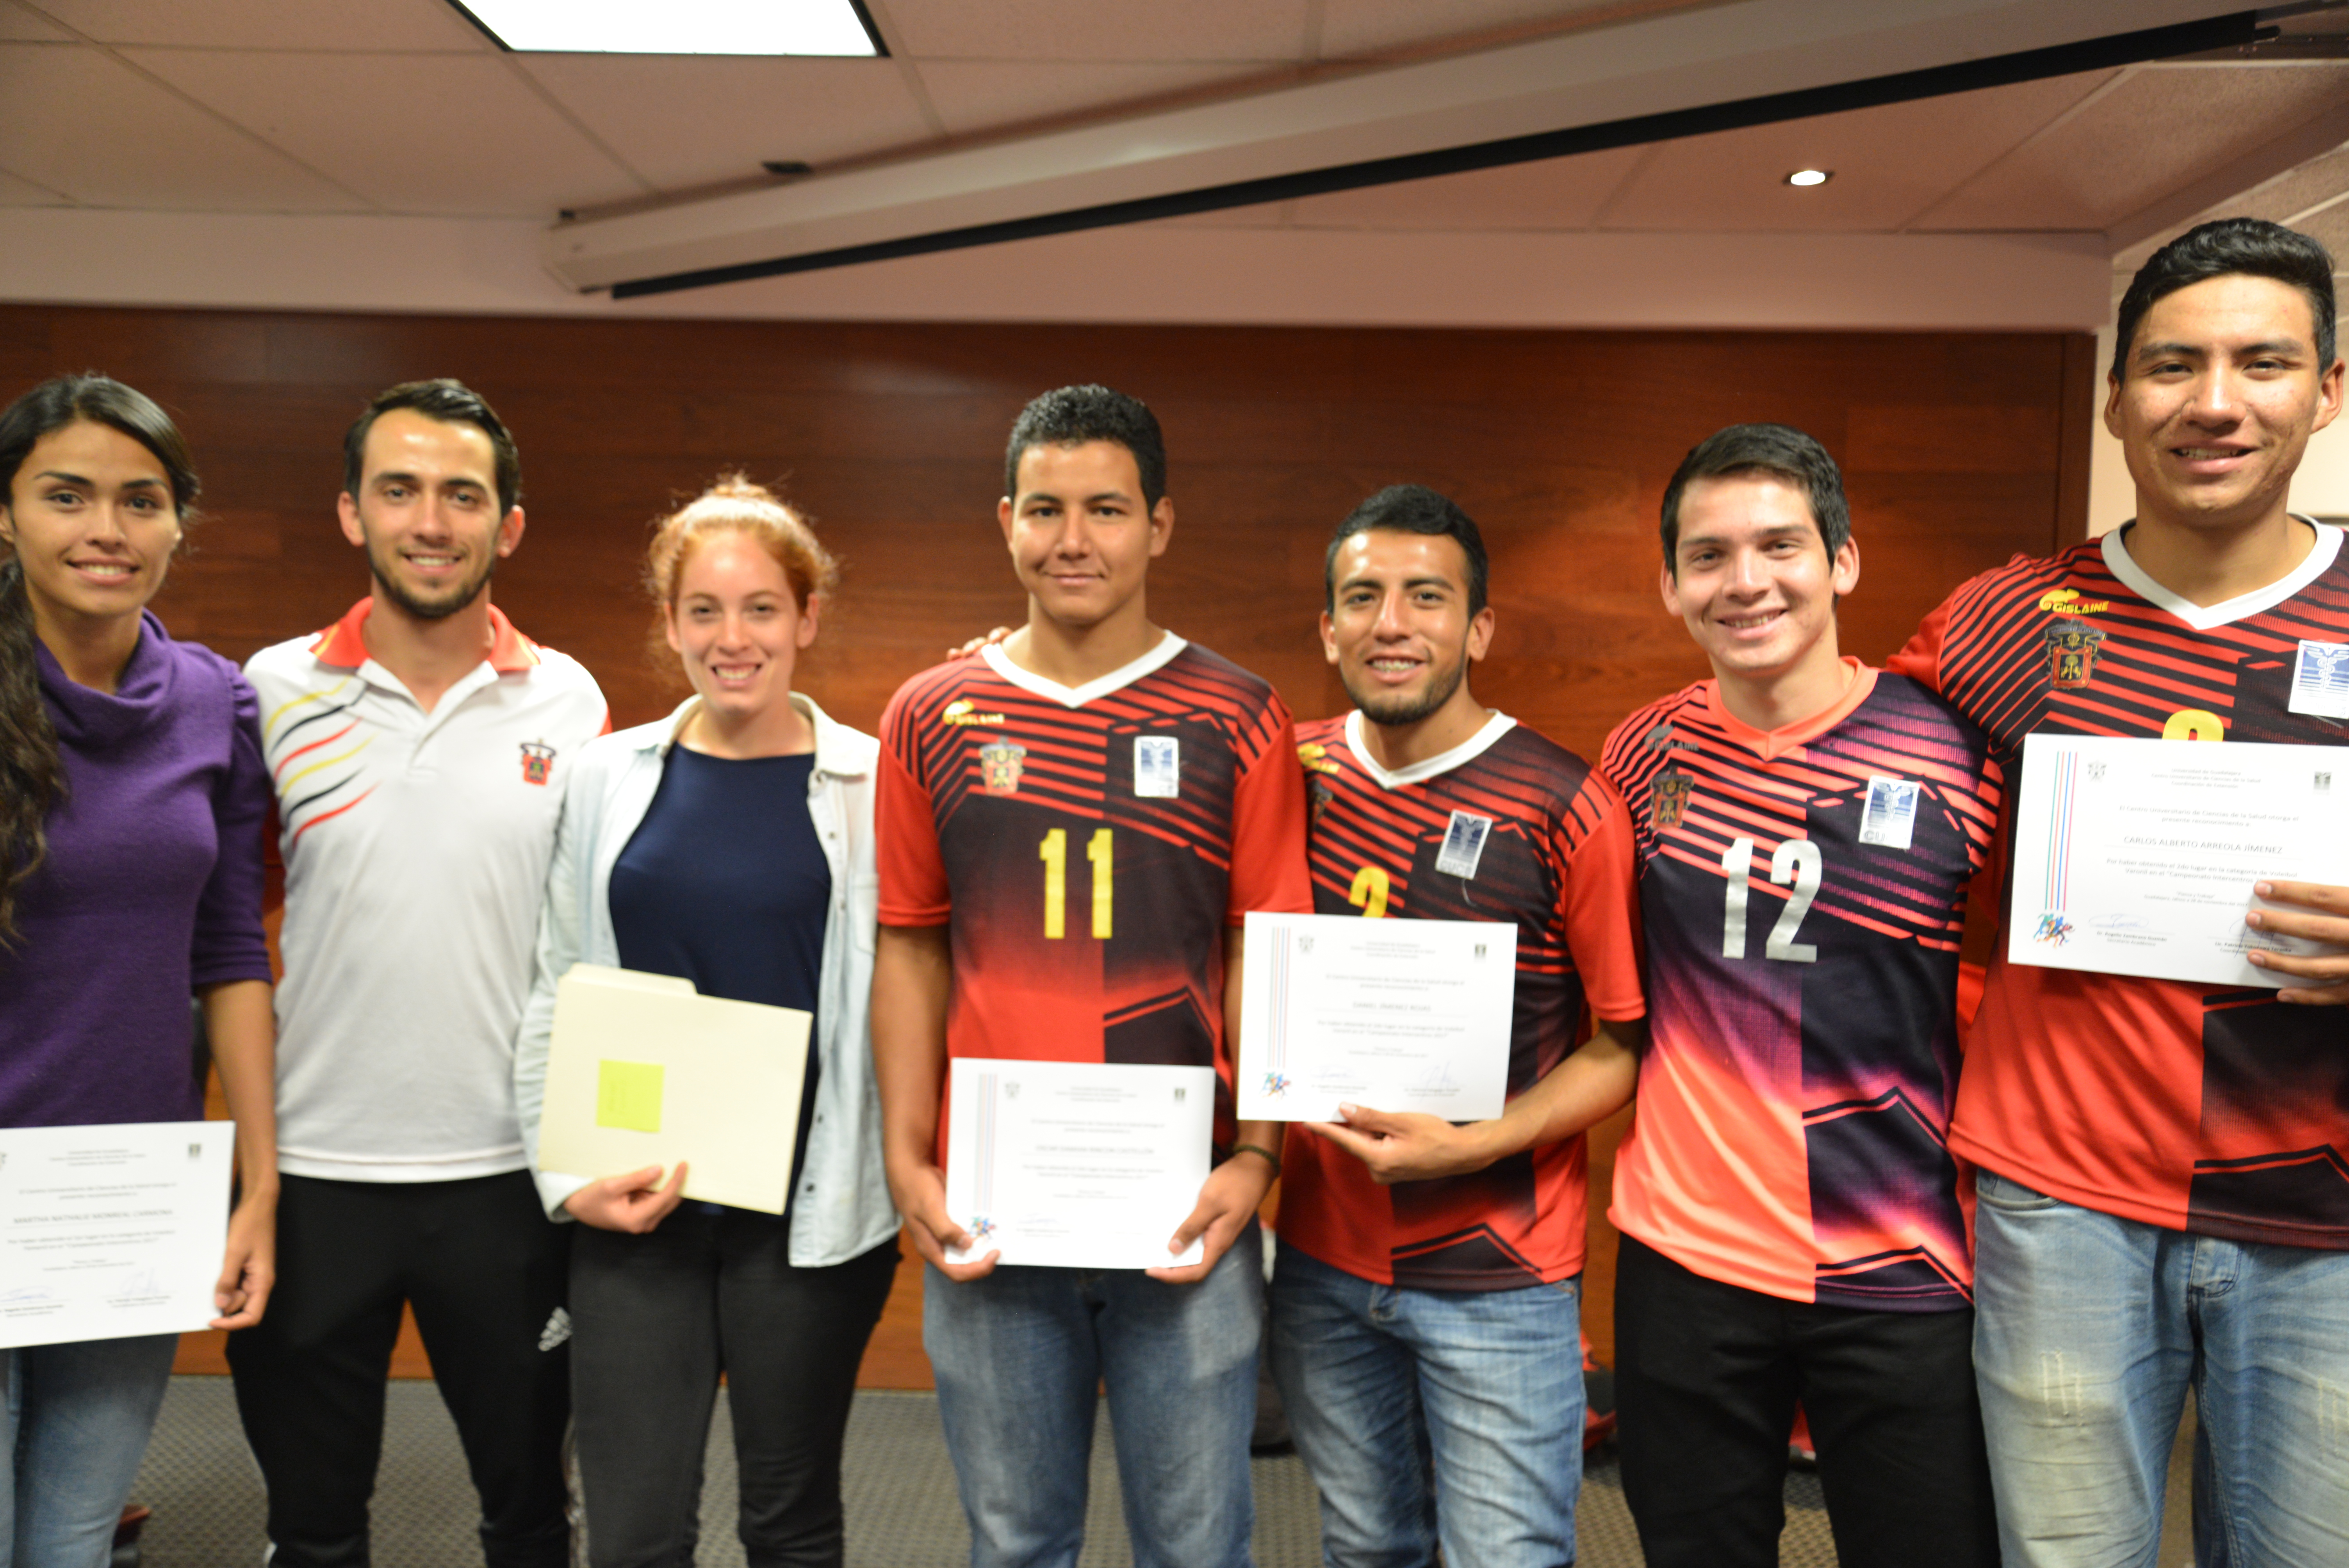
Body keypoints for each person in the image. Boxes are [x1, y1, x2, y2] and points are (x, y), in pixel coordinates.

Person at [1889, 217, 2349, 1566]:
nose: (2214, 403)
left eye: (2263, 363)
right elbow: (1870, 797)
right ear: (2115, 399)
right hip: (2066, 1201)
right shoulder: (2005, 620)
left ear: (2328, 391)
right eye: (2171, 366)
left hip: (2327, 1216)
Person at [870, 384, 1312, 1568]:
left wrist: (1260, 1155)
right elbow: (909, 941)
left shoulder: (1239, 716)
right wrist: (907, 1155)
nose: (1075, 540)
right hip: (995, 1210)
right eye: (1047, 509)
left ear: (1159, 526)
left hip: (1184, 1205)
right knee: (1017, 1544)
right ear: (1004, 520)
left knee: (1198, 1544)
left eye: (1107, 510)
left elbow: (1266, 950)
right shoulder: (931, 715)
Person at [1599, 425, 2003, 1567]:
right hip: (1687, 1259)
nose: (1746, 582)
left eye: (1780, 545)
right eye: (1710, 554)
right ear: (1672, 584)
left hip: (1906, 1261)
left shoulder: (1959, 758)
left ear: (1844, 561)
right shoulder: (1643, 755)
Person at [231, 380, 608, 1568]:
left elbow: (594, 947)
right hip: (313, 1176)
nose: (430, 521)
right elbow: (226, 934)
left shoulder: (572, 699)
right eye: (399, 490)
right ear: (352, 513)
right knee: (313, 1527)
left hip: (508, 1181)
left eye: (462, 494)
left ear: (509, 526)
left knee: (531, 1521)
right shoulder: (270, 691)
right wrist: (241, 1173)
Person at [512, 478, 898, 1567]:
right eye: (706, 611)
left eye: (763, 608)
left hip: (808, 1214)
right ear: (671, 623)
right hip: (638, 1203)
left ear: (807, 619)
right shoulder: (606, 775)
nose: (735, 639)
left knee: (790, 1523)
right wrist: (565, 1179)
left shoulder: (874, 783)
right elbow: (559, 981)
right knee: (632, 1534)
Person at [1268, 485, 1646, 1568]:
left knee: (1507, 1559)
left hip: (1501, 1277)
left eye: (1427, 596)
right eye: (1363, 597)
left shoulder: (1564, 803)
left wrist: (1471, 1143)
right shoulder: (1284, 776)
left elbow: (1620, 1044)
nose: (1392, 622)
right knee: (1367, 1549)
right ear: (1329, 625)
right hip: (1325, 1266)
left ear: (1478, 627)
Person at [0, 374, 278, 1565]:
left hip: (124, 1189)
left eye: (139, 500)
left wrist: (255, 1183)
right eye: (67, 497)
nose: (105, 531)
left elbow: (231, 955)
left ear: (178, 522)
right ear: (6, 515)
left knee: (68, 1539)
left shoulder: (216, 704)